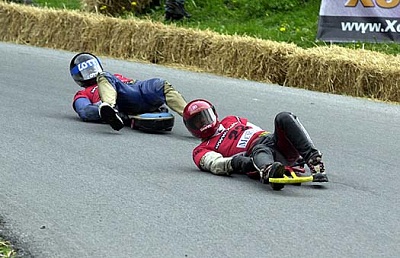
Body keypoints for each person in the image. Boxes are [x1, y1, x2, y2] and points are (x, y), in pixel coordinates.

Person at [182, 99, 328, 189]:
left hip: (273, 141)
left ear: (214, 113)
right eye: (198, 121)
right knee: (259, 148)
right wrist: (238, 162)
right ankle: (269, 169)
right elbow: (215, 163)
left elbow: (256, 130)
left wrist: (287, 140)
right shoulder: (200, 150)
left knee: (283, 117)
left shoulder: (231, 119)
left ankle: (314, 160)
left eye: (206, 117)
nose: (204, 122)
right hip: (254, 155)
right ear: (191, 127)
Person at [70, 52, 187, 131]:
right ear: (78, 76)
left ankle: (192, 115)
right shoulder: (83, 94)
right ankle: (110, 109)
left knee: (159, 84)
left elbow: (134, 86)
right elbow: (84, 111)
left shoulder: (114, 77)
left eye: (92, 68)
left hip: (134, 89)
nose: (91, 73)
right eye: (86, 71)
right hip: (120, 102)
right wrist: (118, 115)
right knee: (104, 76)